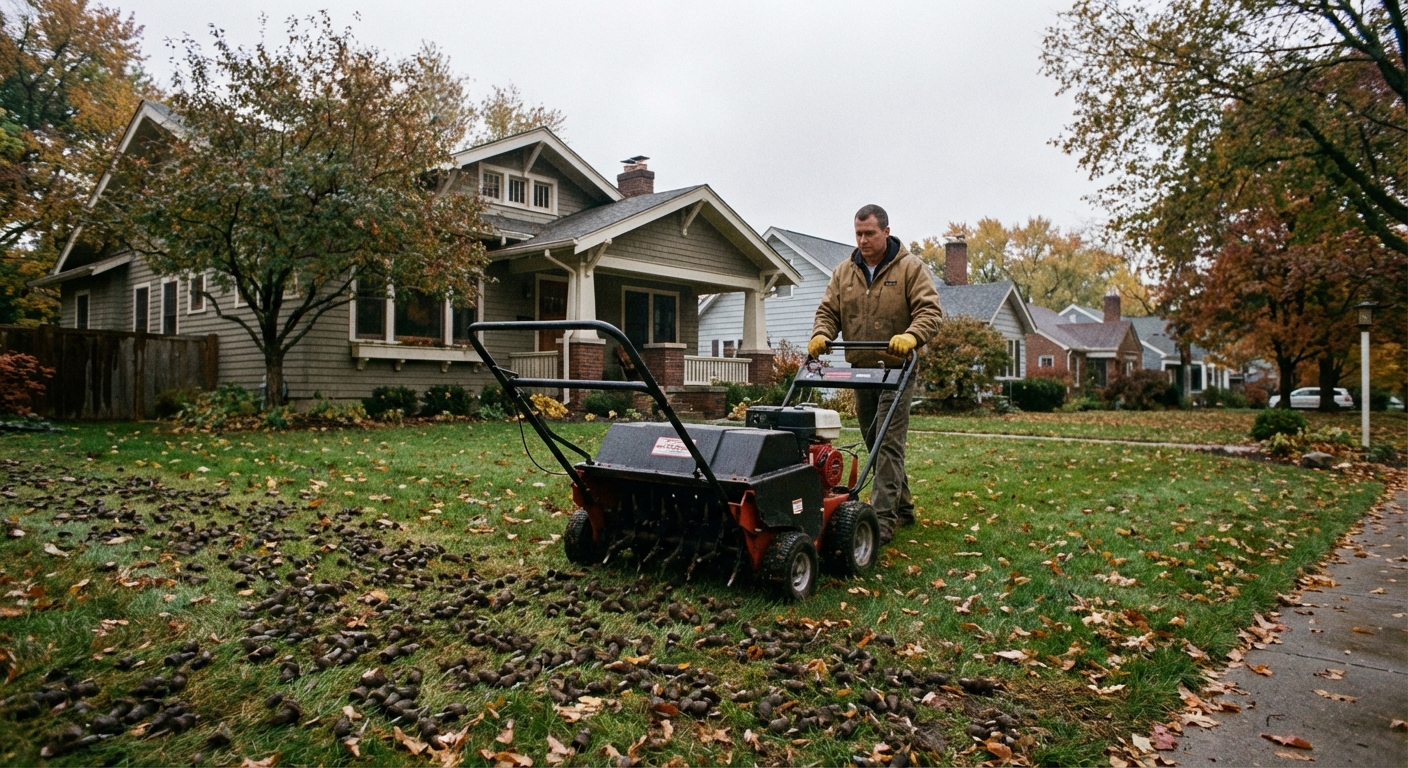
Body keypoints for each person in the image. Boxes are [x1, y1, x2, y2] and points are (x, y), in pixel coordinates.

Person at [809, 204, 942, 544]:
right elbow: (828, 311)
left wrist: (911, 336)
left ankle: (882, 519)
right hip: (861, 369)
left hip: (897, 369)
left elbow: (930, 311)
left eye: (869, 233)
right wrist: (821, 334)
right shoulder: (844, 272)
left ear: (886, 231)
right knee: (875, 442)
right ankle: (905, 506)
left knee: (888, 445)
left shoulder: (911, 268)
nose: (863, 240)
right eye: (858, 233)